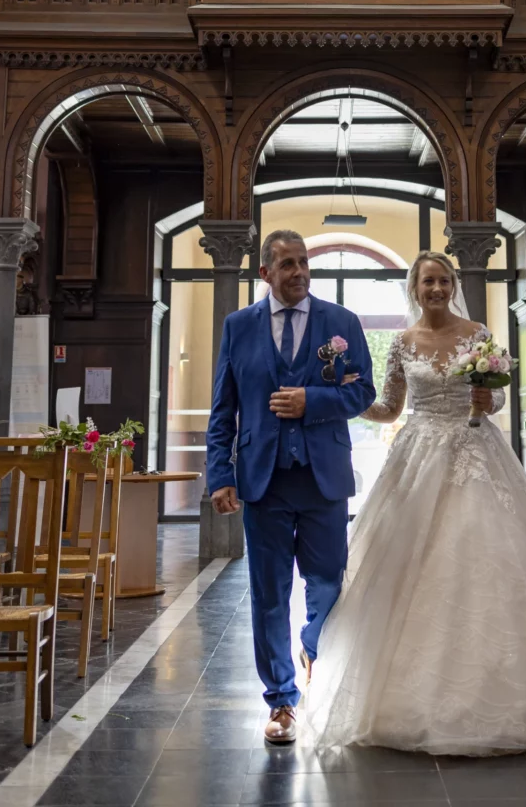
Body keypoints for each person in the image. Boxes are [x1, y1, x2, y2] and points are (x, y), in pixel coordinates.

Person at [304, 252, 526, 755]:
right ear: (414, 286)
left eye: (444, 280)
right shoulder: (402, 343)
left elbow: (495, 396)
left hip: (475, 451)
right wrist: (350, 395)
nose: (437, 288)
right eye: (428, 281)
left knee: (488, 553)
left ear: (453, 285)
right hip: (418, 456)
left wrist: (485, 400)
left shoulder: (476, 332)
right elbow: (389, 409)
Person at [206, 230, 375, 744]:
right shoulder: (238, 327)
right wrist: (220, 475)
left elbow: (364, 391)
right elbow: (223, 411)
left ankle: (312, 645)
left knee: (327, 582)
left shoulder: (341, 323)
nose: (299, 272)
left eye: (304, 263)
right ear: (265, 273)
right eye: (287, 265)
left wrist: (313, 400)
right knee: (269, 594)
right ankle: (282, 700)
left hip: (324, 477)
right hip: (264, 479)